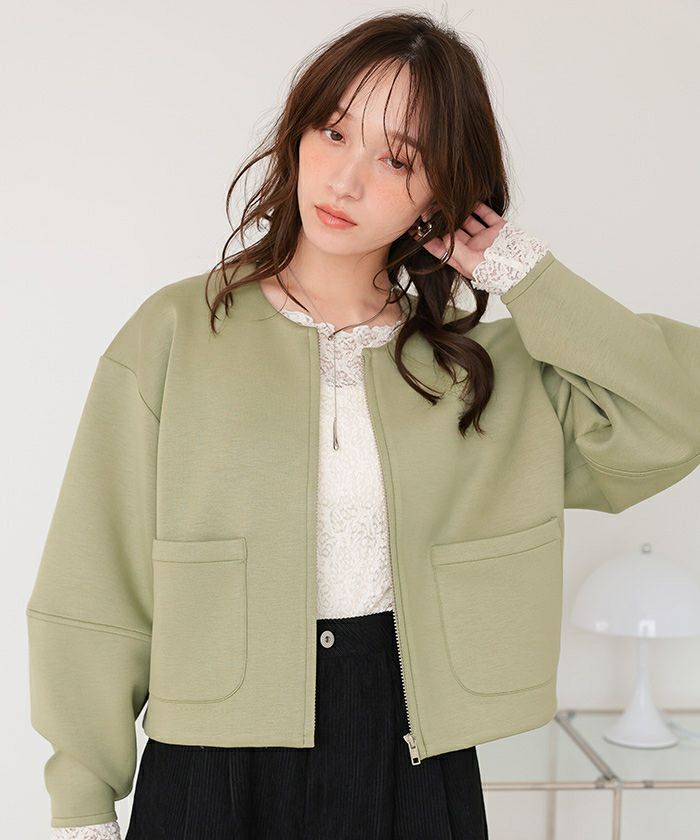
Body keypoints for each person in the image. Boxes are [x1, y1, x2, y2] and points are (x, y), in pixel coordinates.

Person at [26, 11, 700, 840]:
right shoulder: (175, 333)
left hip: (411, 754)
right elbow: (94, 579)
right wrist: (81, 802)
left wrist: (521, 271)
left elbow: (678, 408)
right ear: (297, 133)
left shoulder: (484, 376)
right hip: (210, 762)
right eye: (334, 132)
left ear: (442, 194)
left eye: (396, 159)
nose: (345, 181)